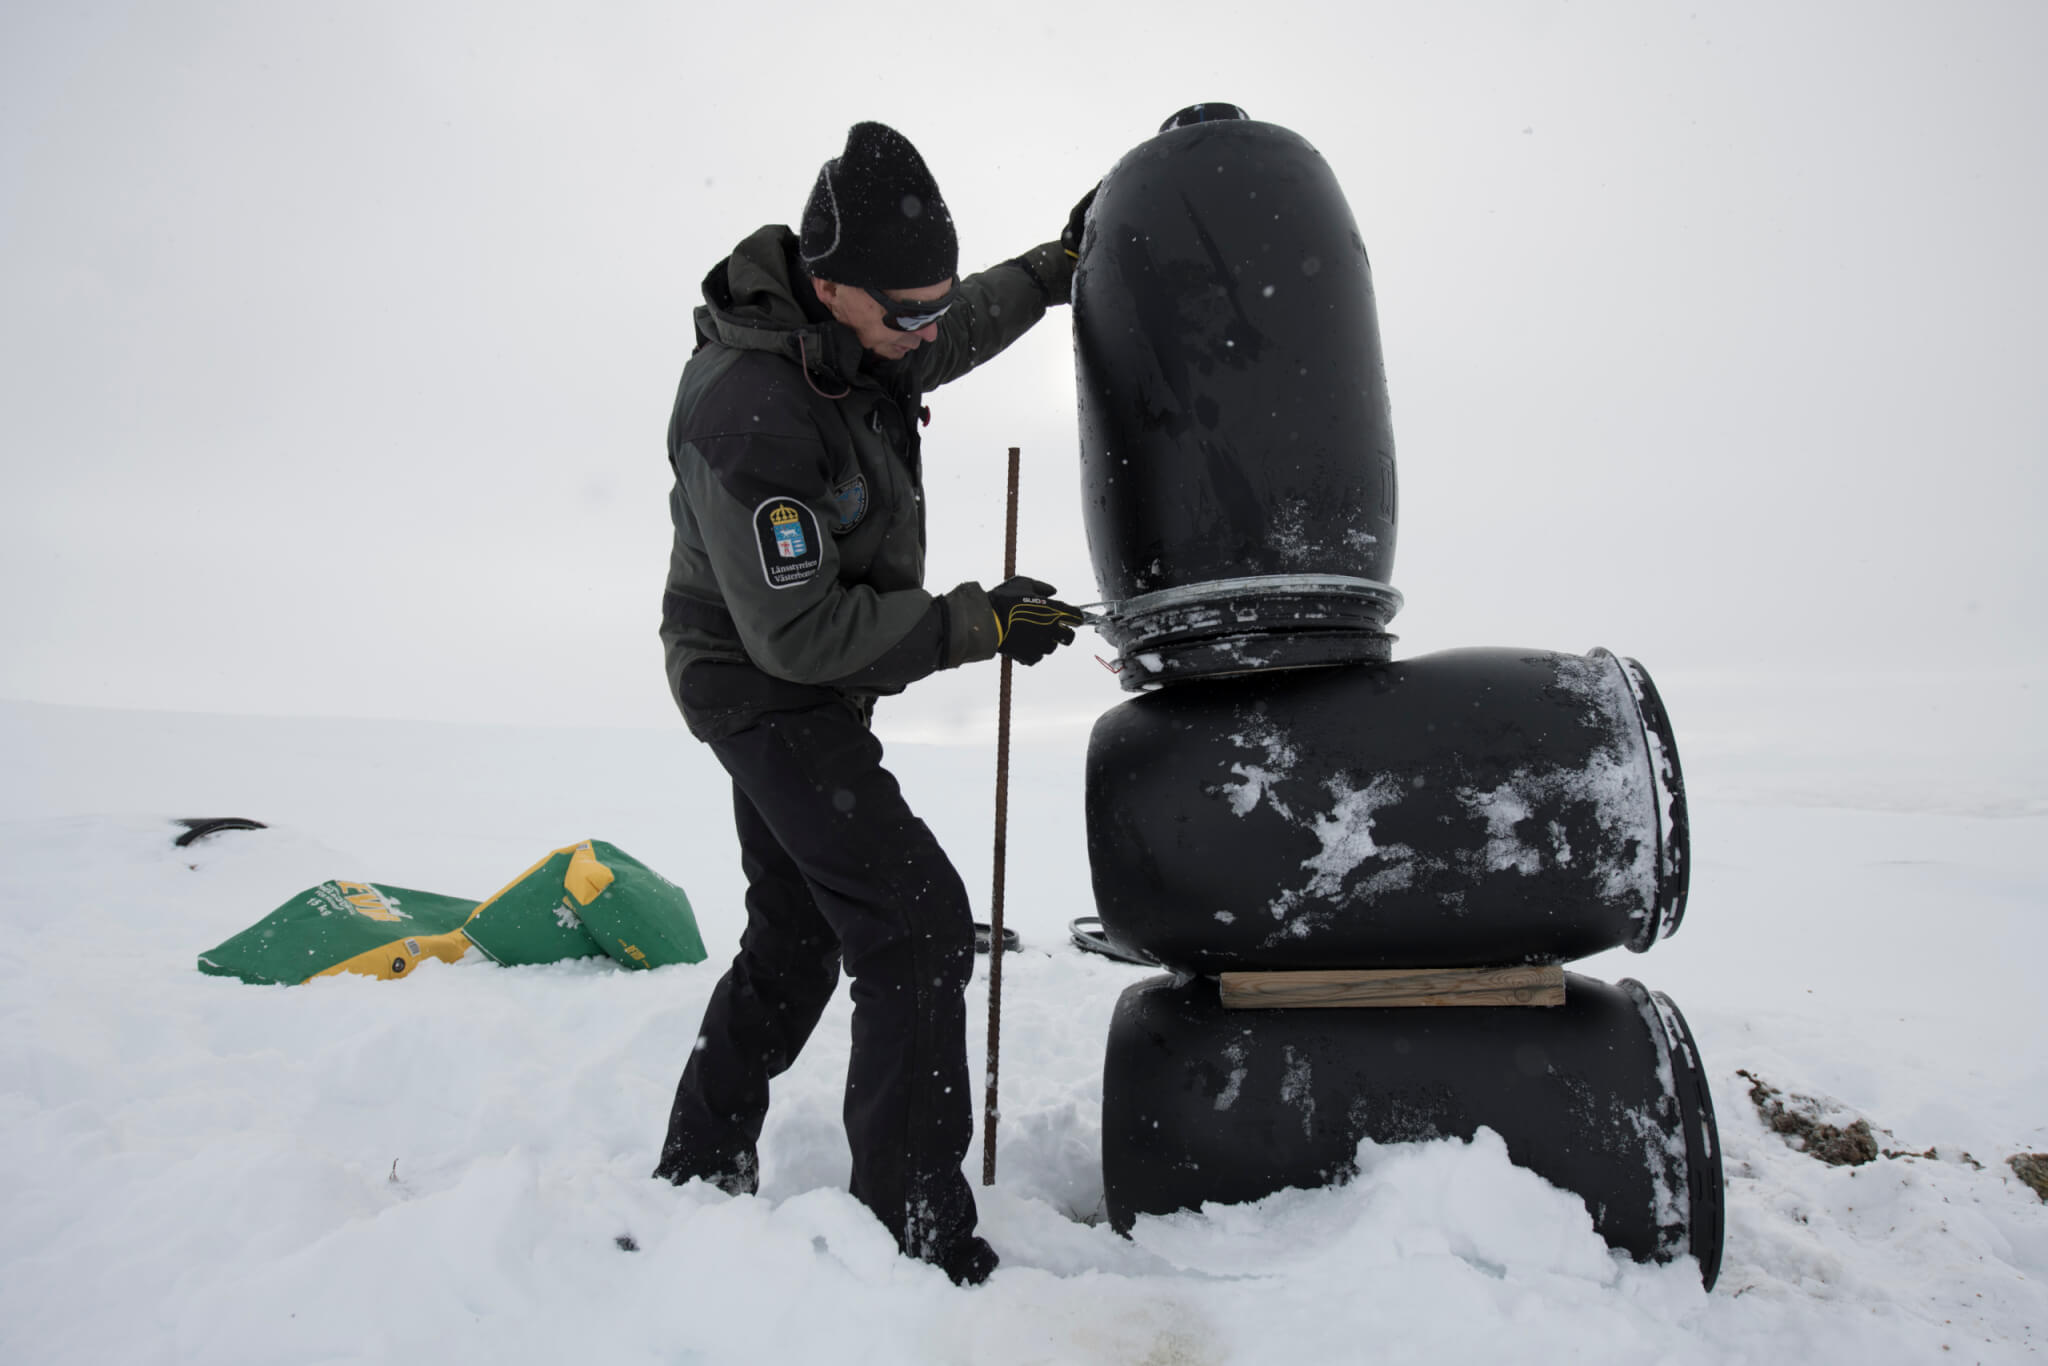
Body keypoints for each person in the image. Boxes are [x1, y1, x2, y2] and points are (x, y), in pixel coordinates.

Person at [652, 121, 1089, 1286]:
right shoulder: (750, 413)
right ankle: (908, 1225)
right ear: (828, 281)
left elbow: (948, 330)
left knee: (797, 935)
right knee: (915, 920)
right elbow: (795, 637)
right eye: (905, 312)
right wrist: (975, 623)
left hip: (811, 683)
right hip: (760, 687)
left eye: (929, 306)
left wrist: (1051, 272)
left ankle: (697, 1166)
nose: (924, 331)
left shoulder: (858, 338)